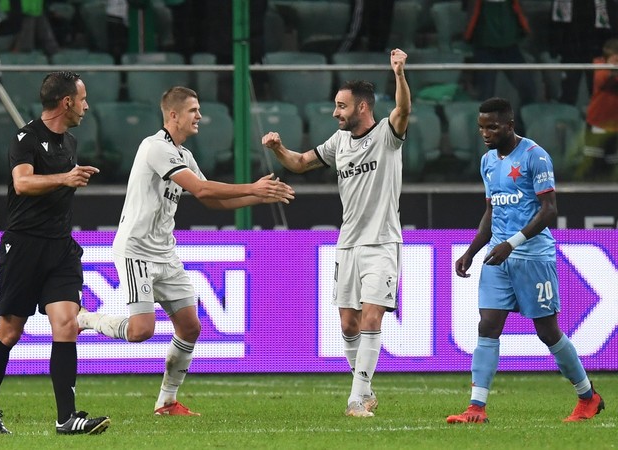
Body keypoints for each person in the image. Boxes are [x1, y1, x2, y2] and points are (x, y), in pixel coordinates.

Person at [77, 86, 295, 416]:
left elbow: (211, 201)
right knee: (141, 331)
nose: (200, 116)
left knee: (191, 327)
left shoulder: (184, 155)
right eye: (193, 110)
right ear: (173, 115)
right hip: (137, 251)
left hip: (165, 253)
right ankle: (86, 318)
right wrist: (253, 186)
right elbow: (202, 189)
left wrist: (259, 196)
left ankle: (166, 402)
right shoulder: (154, 147)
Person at [261, 49, 411, 418]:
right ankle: (366, 389)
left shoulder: (387, 135)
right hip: (347, 244)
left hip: (381, 243)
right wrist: (279, 149)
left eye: (341, 106)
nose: (335, 112)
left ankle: (356, 400)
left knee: (372, 318)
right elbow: (300, 163)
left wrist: (399, 74)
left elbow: (403, 109)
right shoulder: (338, 142)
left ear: (362, 107)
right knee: (348, 324)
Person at [446, 97, 605, 424]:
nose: (485, 133)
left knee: (548, 332)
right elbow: (491, 212)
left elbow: (549, 210)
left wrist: (512, 243)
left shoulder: (535, 156)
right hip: (498, 258)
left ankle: (588, 396)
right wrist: (471, 251)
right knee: (487, 326)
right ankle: (476, 408)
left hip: (533, 257)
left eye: (492, 127)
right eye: (481, 127)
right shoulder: (487, 161)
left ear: (510, 125)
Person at [0, 71, 110, 436]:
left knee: (67, 324)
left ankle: (66, 418)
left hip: (61, 247)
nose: (86, 106)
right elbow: (22, 182)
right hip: (24, 246)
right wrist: (65, 178)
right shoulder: (26, 138)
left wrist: (68, 178)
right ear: (67, 102)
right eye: (82, 99)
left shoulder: (70, 142)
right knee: (9, 332)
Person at [464, 0, 536, 131]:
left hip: (510, 48)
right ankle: (484, 135)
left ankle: (519, 129)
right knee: (486, 96)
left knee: (528, 89)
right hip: (484, 47)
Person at [575, 37, 618, 182]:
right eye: (615, 60)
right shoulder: (599, 67)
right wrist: (613, 70)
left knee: (612, 161)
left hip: (614, 125)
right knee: (592, 159)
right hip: (597, 122)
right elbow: (601, 79)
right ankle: (583, 187)